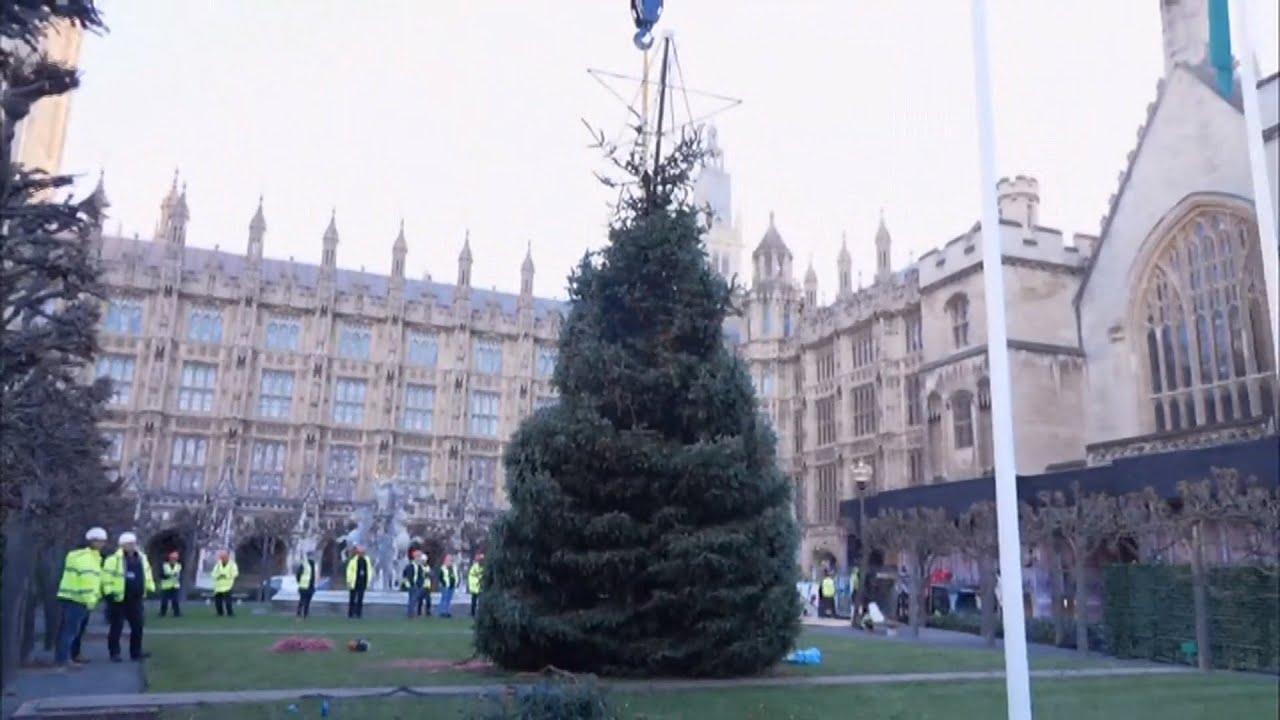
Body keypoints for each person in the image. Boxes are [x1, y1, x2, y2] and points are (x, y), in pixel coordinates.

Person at [55, 527, 108, 670]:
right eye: (100, 541)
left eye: (103, 541)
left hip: (74, 598)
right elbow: (88, 581)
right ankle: (63, 661)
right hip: (78, 599)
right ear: (92, 541)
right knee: (70, 631)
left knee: (71, 631)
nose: (102, 544)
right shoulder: (86, 558)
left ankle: (66, 658)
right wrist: (91, 600)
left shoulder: (88, 557)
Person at [102, 532, 154, 662]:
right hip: (119, 598)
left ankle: (135, 652)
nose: (132, 546)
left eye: (133, 543)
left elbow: (147, 573)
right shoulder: (113, 560)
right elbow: (106, 577)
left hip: (136, 598)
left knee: (138, 626)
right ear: (122, 545)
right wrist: (108, 593)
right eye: (129, 544)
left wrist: (149, 587)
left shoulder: (142, 558)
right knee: (116, 627)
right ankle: (114, 653)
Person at [345, 545, 372, 619]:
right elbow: (349, 571)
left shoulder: (366, 560)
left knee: (360, 599)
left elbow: (369, 570)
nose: (361, 553)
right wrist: (349, 581)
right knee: (352, 599)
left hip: (362, 582)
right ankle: (350, 613)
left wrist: (368, 581)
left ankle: (358, 614)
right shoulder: (353, 560)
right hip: (354, 582)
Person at [211, 550, 239, 617]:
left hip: (227, 586)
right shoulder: (218, 564)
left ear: (227, 557)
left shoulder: (232, 564)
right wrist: (218, 576)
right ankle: (219, 613)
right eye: (221, 557)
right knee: (218, 601)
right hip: (218, 586)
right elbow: (213, 573)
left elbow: (235, 574)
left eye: (224, 557)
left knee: (228, 601)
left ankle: (230, 613)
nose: (222, 558)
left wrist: (226, 576)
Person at [401, 549, 426, 619]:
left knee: (415, 600)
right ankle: (411, 614)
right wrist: (411, 584)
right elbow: (408, 576)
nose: (420, 558)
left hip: (418, 585)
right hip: (413, 586)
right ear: (415, 557)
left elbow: (422, 576)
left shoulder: (420, 566)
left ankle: (413, 613)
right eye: (419, 557)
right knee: (412, 600)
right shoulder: (410, 566)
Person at [158, 551, 182, 618]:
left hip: (175, 586)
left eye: (175, 558)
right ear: (169, 558)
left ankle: (177, 613)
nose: (174, 560)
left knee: (175, 600)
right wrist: (168, 576)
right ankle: (162, 613)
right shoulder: (164, 565)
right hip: (166, 586)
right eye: (172, 558)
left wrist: (174, 576)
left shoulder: (178, 566)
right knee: (164, 601)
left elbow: (178, 575)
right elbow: (161, 575)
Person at [295, 551, 318, 619]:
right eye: (311, 555)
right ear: (308, 556)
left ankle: (306, 614)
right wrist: (299, 581)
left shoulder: (315, 564)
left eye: (313, 556)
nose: (312, 557)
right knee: (302, 600)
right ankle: (299, 613)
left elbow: (316, 575)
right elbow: (298, 574)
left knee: (308, 601)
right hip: (304, 586)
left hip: (311, 585)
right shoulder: (304, 564)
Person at [467, 553, 485, 618]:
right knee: (476, 601)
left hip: (478, 586)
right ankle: (473, 612)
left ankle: (475, 613)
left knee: (478, 601)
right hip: (477, 586)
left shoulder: (476, 566)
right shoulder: (476, 567)